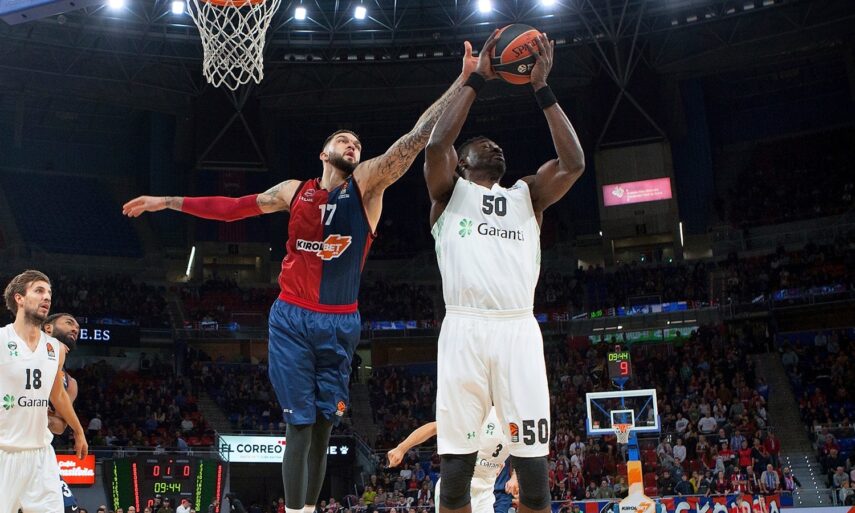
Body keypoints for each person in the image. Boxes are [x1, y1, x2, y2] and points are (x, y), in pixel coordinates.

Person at [122, 37, 488, 513]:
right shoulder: (293, 191)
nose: (353, 145)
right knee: (299, 423)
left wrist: (463, 81)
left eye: (357, 143)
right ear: (323, 152)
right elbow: (232, 208)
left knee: (323, 425)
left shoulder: (367, 186)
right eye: (344, 140)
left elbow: (416, 138)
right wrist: (167, 201)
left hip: (340, 321)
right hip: (292, 318)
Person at [423, 30, 584, 513]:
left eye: (495, 143)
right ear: (461, 163)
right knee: (455, 478)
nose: (493, 145)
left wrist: (542, 87)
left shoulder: (527, 194)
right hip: (464, 329)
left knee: (534, 479)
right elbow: (436, 144)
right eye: (481, 143)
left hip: (518, 329)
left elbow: (573, 163)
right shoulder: (447, 195)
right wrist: (475, 80)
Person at [0, 270, 88, 513]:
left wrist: (78, 430)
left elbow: (57, 394)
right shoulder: (1, 340)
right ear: (19, 298)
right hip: (4, 452)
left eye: (49, 293)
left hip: (41, 455)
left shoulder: (55, 349)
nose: (47, 297)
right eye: (39, 291)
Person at [387, 408, 517, 513]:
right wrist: (401, 448)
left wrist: (515, 477)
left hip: (485, 492)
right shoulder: (483, 413)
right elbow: (434, 427)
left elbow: (520, 456)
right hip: (456, 486)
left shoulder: (520, 426)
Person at [43, 312, 83, 513]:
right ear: (48, 328)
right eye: (69, 323)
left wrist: (41, 416)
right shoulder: (23, 354)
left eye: (78, 327)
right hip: (8, 442)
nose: (75, 328)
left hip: (41, 450)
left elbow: (59, 427)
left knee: (69, 508)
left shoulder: (70, 382)